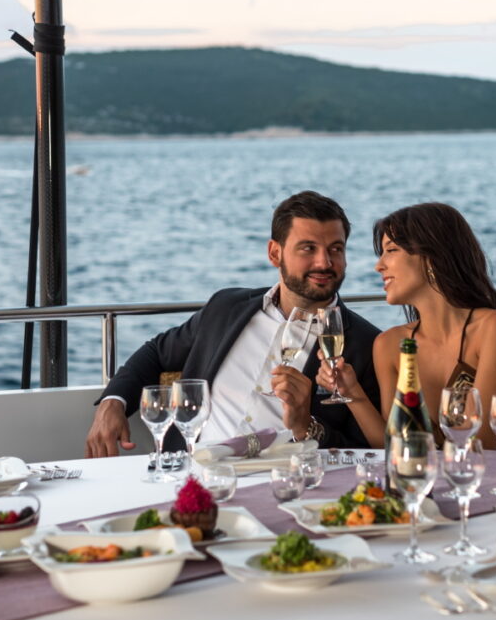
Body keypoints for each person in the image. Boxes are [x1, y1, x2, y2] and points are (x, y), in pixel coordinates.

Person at [83, 191, 383, 456]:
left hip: (288, 485)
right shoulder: (226, 308)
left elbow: (365, 452)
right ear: (274, 253)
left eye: (336, 249)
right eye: (308, 248)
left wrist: (307, 427)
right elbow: (156, 352)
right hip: (192, 473)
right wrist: (114, 401)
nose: (324, 263)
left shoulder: (366, 344)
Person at [371, 202, 496, 448]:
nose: (379, 265)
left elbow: (479, 443)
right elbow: (394, 446)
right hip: (423, 482)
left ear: (431, 257)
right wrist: (352, 394)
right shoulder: (389, 345)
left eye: (391, 250)